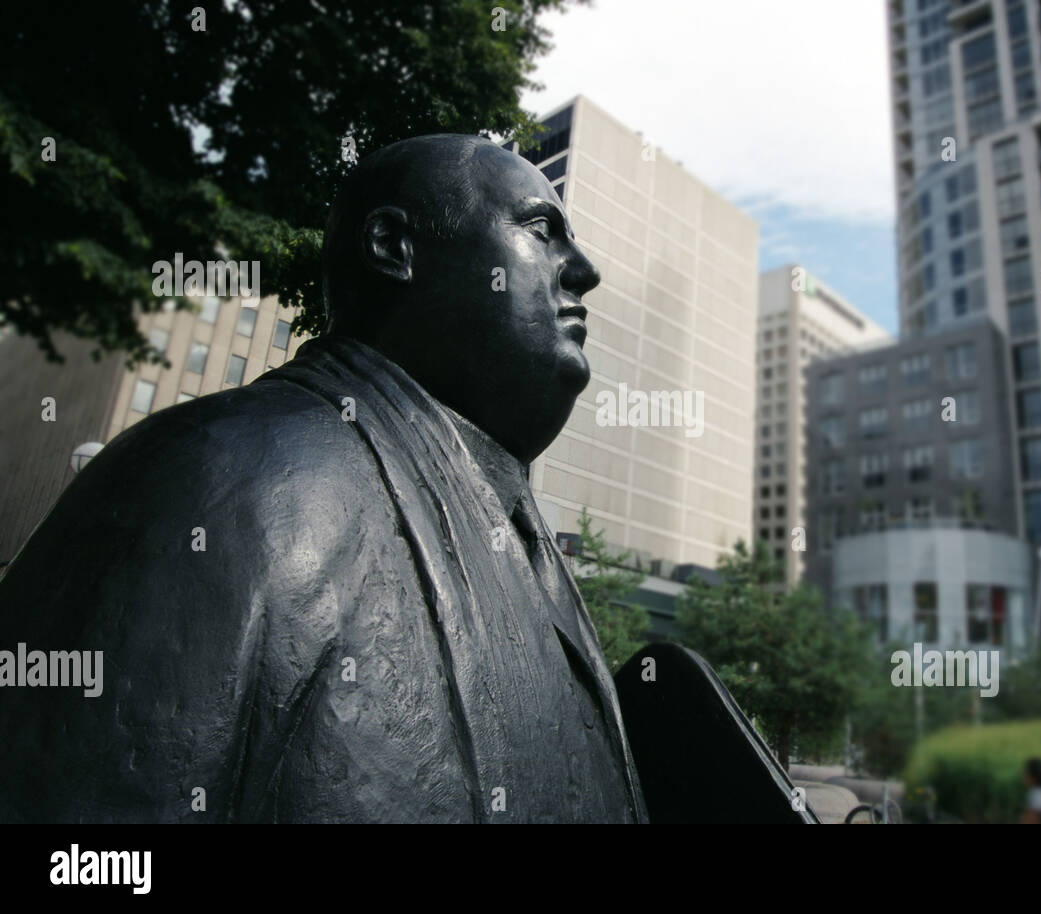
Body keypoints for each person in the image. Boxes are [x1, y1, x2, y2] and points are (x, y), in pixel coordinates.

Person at [0, 135, 648, 823]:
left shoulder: (525, 541)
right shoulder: (220, 474)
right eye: (541, 231)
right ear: (394, 246)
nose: (583, 270)